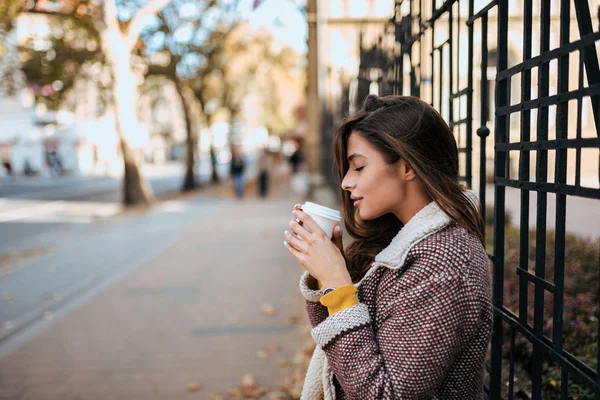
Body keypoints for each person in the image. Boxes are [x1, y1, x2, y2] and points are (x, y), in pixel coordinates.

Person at [283, 95, 493, 399]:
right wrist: (325, 275)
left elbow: (385, 394)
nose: (345, 182)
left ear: (406, 167)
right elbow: (336, 353)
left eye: (358, 167)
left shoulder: (445, 263)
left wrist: (337, 285)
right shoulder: (401, 239)